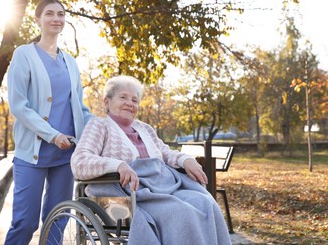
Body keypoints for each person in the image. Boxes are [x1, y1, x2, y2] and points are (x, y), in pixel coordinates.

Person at [71, 75, 232, 245]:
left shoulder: (144, 128)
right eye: (123, 97)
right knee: (181, 212)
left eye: (134, 100)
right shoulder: (99, 125)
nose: (130, 103)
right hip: (131, 194)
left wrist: (185, 160)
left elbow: (165, 152)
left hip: (165, 187)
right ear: (107, 102)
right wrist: (117, 165)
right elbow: (80, 161)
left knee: (206, 203)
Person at [5, 0, 93, 244]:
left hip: (66, 155)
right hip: (32, 153)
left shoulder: (71, 62)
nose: (57, 18)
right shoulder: (24, 54)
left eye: (61, 14)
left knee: (57, 221)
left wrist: (101, 125)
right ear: (38, 19)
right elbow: (19, 106)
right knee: (25, 222)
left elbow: (80, 107)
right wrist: (52, 135)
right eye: (50, 13)